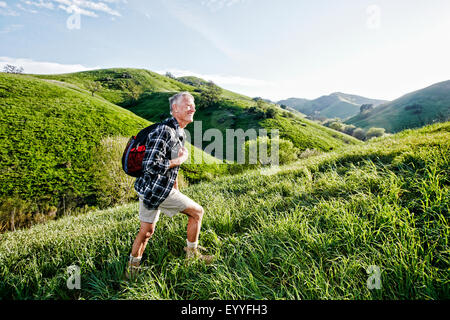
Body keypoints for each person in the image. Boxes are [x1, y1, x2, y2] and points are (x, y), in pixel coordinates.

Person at [127, 92, 213, 278]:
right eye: (188, 105)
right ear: (175, 108)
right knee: (197, 213)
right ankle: (192, 256)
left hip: (148, 190)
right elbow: (151, 165)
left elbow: (166, 162)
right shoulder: (165, 131)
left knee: (146, 232)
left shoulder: (178, 132)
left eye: (193, 105)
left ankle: (131, 272)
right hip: (157, 190)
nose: (193, 108)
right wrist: (179, 160)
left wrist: (176, 186)